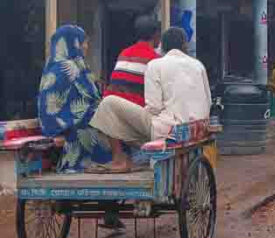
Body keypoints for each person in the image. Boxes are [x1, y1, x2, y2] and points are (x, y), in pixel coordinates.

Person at [89, 27, 212, 173]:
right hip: (196, 129)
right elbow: (208, 101)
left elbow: (154, 107)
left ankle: (119, 159)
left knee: (108, 102)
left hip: (169, 129)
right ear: (185, 46)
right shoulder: (198, 66)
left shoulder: (156, 64)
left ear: (162, 45)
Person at [37, 25, 112, 173]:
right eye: (83, 42)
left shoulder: (53, 66)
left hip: (59, 123)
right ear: (73, 43)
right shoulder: (70, 67)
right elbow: (89, 98)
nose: (86, 46)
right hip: (66, 124)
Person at [104, 15, 162, 107]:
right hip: (132, 112)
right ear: (155, 34)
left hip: (111, 109)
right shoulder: (155, 59)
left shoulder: (124, 54)